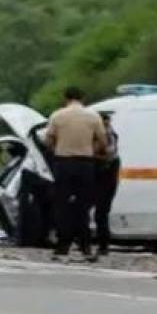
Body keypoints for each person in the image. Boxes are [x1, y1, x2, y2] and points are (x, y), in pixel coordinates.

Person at [46, 86, 106, 262]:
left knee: (62, 206)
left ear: (65, 98)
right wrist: (90, 150)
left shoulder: (57, 116)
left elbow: (48, 140)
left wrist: (57, 150)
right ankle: (86, 247)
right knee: (83, 206)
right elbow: (103, 141)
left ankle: (62, 247)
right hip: (85, 164)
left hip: (63, 163)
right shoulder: (93, 116)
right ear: (83, 97)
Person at [93, 112, 121, 256]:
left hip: (105, 180)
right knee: (100, 213)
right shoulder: (107, 134)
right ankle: (100, 244)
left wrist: (92, 155)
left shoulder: (109, 136)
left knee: (101, 213)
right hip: (105, 179)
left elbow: (108, 154)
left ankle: (103, 245)